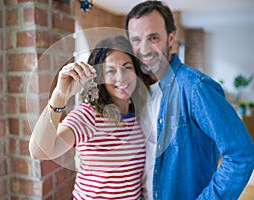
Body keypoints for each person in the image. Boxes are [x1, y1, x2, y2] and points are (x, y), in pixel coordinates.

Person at [124, 1, 254, 199]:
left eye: (153, 38)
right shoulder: (134, 91)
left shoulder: (195, 88)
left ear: (171, 38)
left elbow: (241, 155)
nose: (144, 49)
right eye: (136, 39)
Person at [29, 35, 152, 199]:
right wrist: (60, 95)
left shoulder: (139, 115)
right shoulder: (88, 116)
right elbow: (39, 151)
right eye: (111, 71)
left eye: (126, 67)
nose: (121, 77)